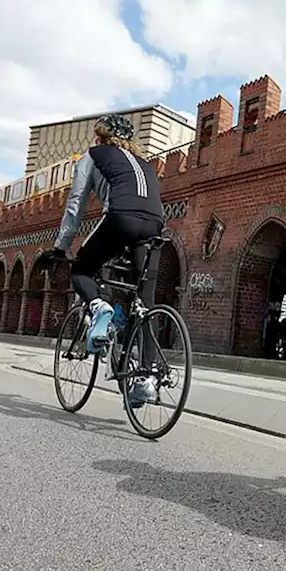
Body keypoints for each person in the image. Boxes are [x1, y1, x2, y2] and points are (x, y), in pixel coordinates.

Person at [38, 113, 165, 408]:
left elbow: (76, 202)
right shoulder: (146, 164)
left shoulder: (93, 155)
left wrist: (61, 246)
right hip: (155, 225)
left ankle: (99, 306)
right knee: (144, 301)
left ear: (100, 138)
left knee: (82, 269)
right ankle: (147, 379)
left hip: (120, 219)